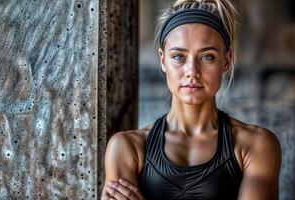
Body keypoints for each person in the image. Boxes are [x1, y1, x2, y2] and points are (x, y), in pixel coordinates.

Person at [101, 0, 281, 199]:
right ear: (162, 60)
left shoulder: (255, 145)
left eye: (207, 57)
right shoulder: (127, 148)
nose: (192, 72)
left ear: (226, 61)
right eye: (178, 56)